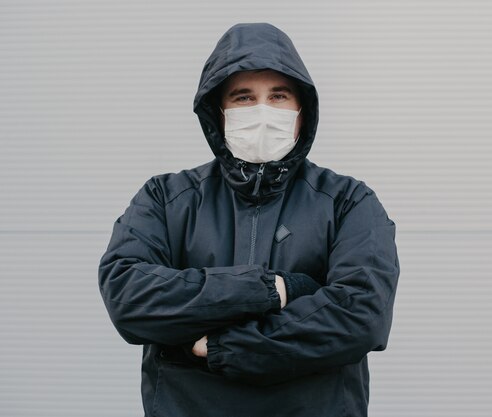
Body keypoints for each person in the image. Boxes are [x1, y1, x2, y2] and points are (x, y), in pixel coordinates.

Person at [98, 22, 400, 417]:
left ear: (301, 111)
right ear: (217, 114)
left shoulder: (347, 201)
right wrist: (275, 289)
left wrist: (225, 347)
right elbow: (128, 295)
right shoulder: (166, 198)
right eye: (243, 97)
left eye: (278, 96)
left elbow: (363, 313)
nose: (262, 111)